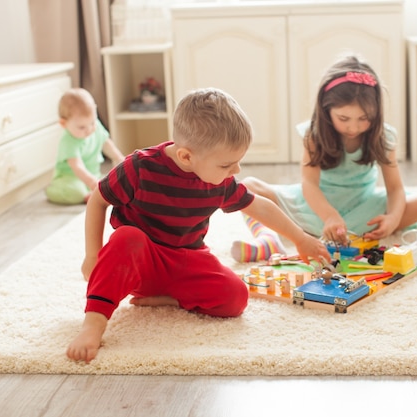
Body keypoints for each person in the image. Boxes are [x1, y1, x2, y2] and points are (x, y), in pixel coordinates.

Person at [66, 87, 331, 363]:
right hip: (140, 261)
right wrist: (92, 254)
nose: (236, 171)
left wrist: (300, 238)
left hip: (187, 258)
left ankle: (170, 298)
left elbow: (259, 206)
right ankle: (93, 325)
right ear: (186, 157)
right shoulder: (137, 169)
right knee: (127, 237)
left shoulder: (220, 182)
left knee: (236, 296)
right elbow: (98, 200)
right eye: (228, 164)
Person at [231, 54, 417, 269]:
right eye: (344, 118)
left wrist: (393, 217)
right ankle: (269, 240)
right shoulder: (314, 134)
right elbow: (309, 184)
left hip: (364, 208)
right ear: (326, 109)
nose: (354, 127)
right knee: (249, 188)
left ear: (376, 113)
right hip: (317, 208)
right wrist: (330, 216)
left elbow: (395, 188)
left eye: (364, 119)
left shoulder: (383, 137)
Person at [46, 88, 125, 205]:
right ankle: (56, 190)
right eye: (82, 127)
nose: (89, 130)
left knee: (110, 182)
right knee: (76, 191)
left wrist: (120, 159)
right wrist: (92, 183)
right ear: (64, 123)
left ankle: (91, 191)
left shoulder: (95, 127)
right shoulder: (68, 141)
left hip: (93, 174)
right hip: (70, 178)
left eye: (92, 122)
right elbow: (77, 166)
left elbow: (106, 143)